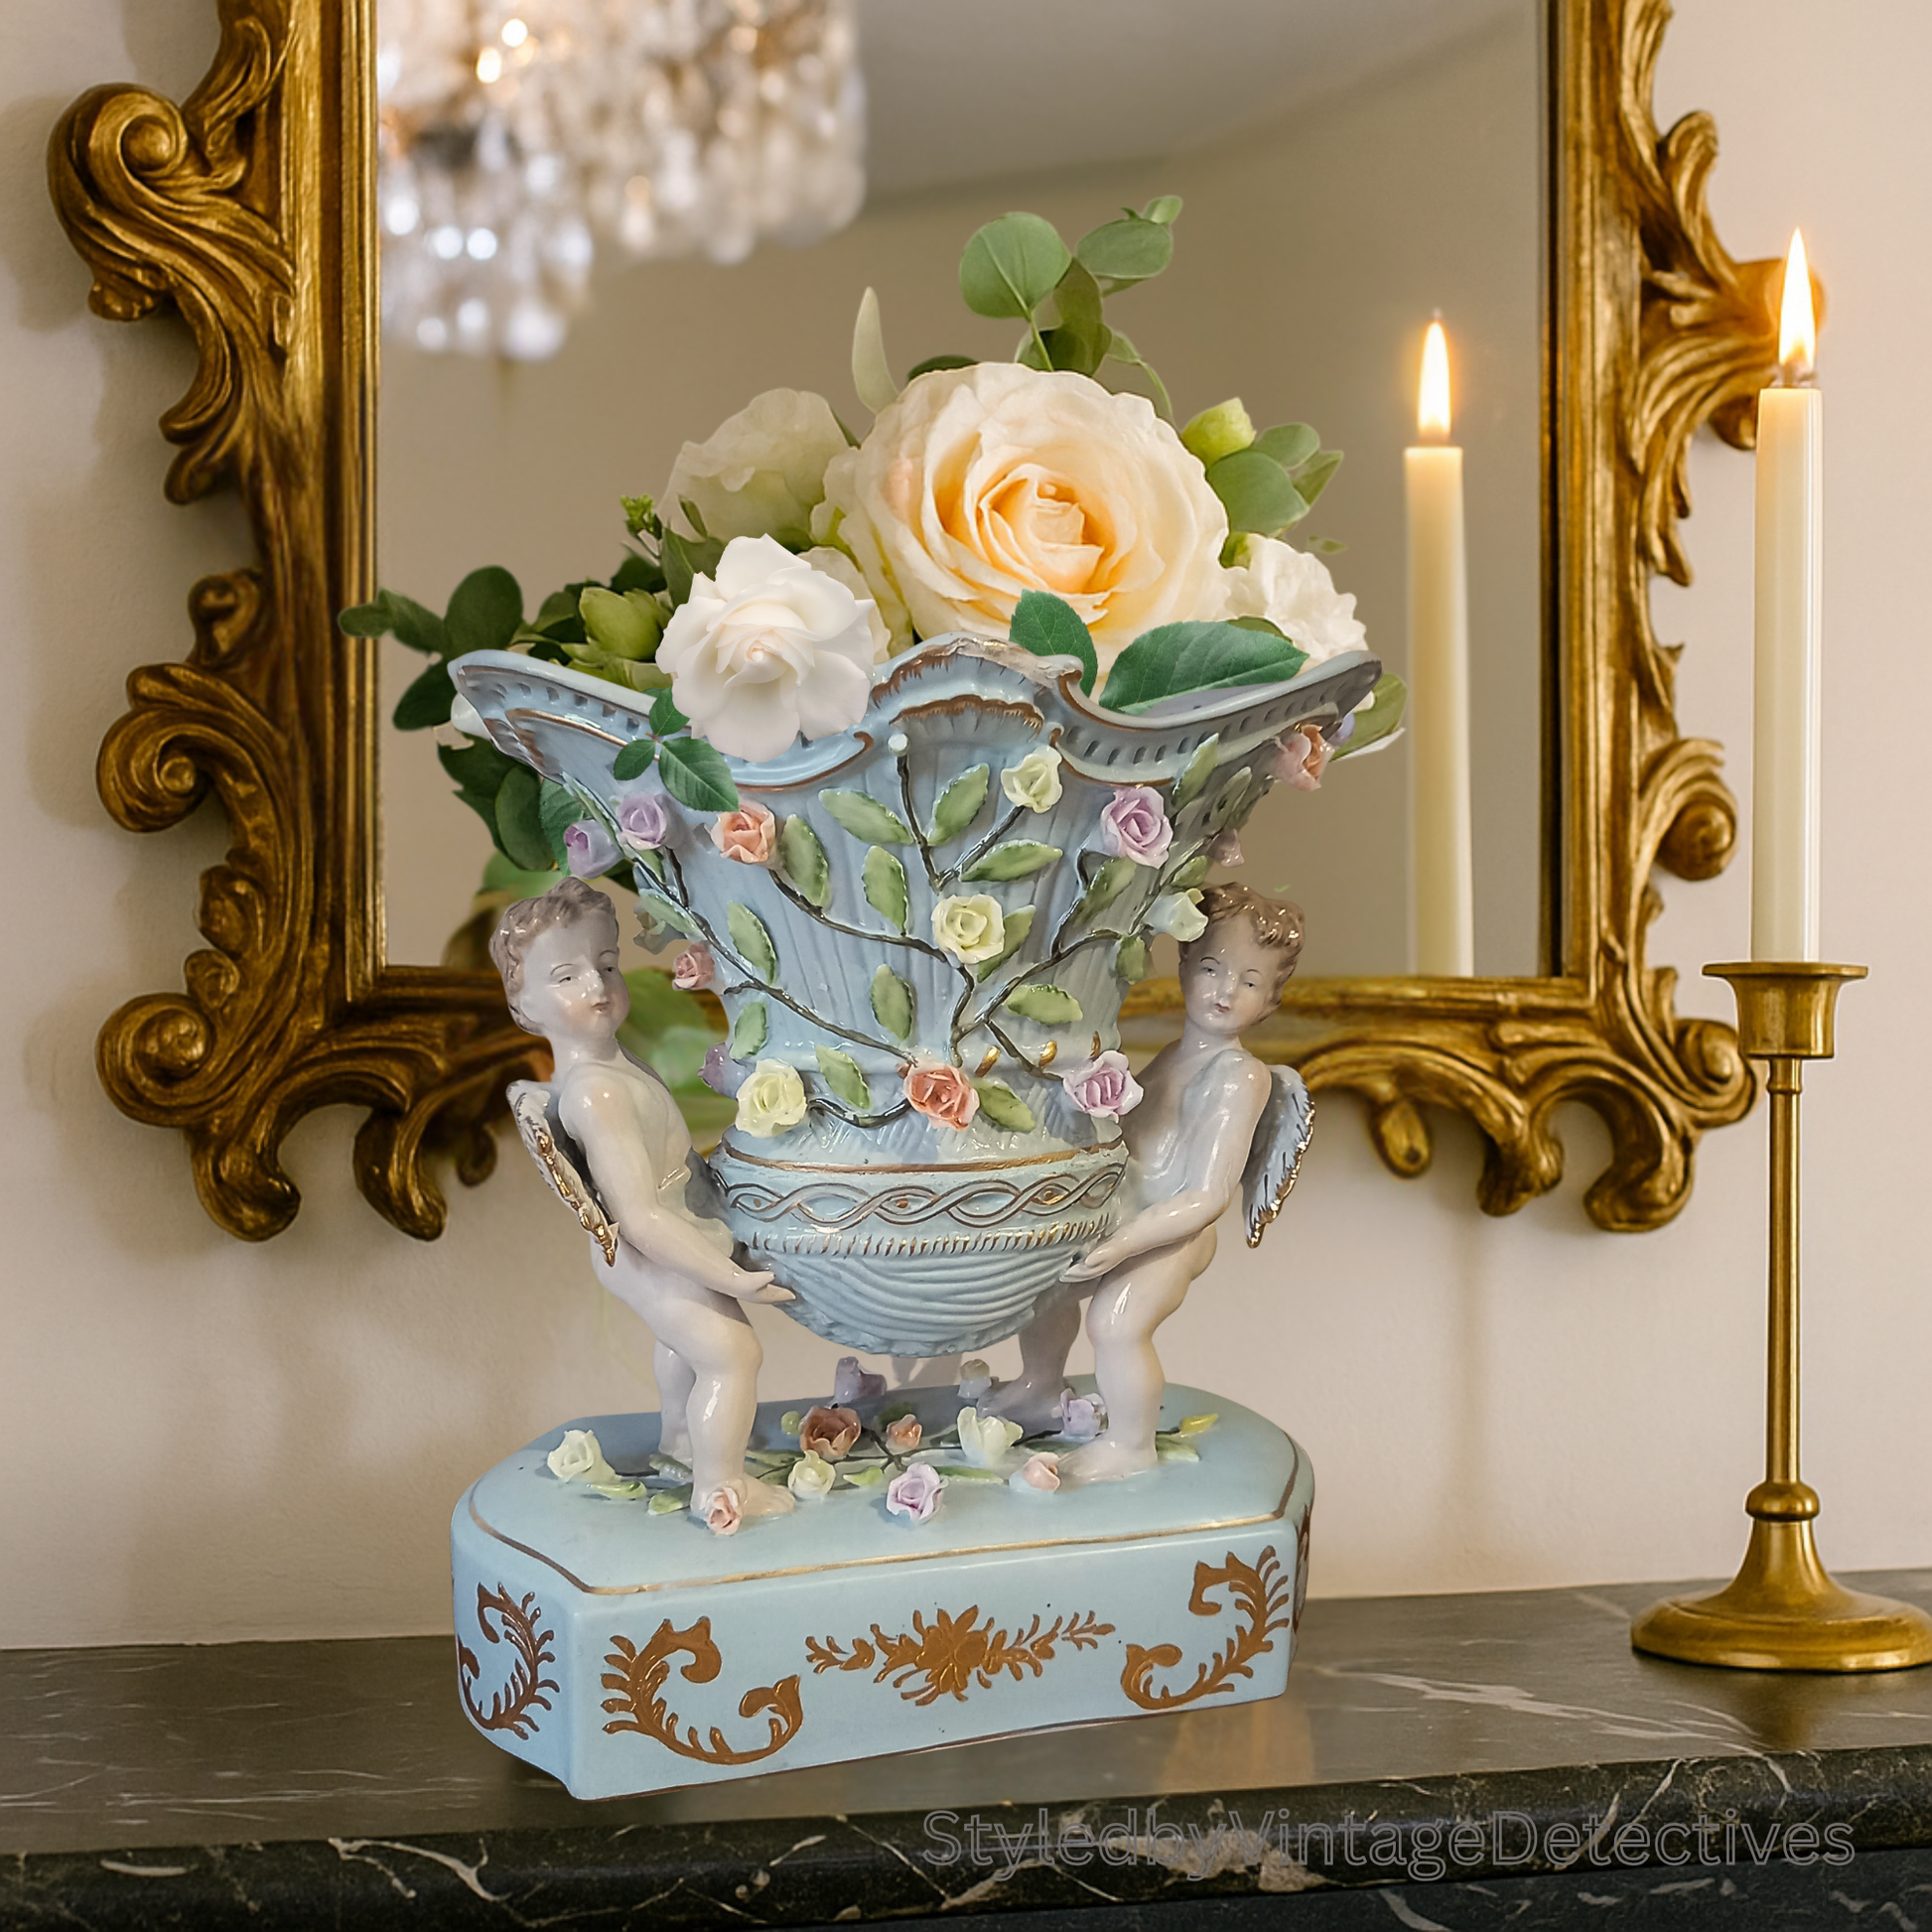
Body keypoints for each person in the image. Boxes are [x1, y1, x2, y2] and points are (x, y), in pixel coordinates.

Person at [491, 878, 794, 1532]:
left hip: (665, 1233)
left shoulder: (615, 1064)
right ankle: (722, 1486)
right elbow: (641, 1216)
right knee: (730, 1354)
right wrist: (733, 1276)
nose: (597, 988)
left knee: (684, 1341)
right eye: (567, 977)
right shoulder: (597, 1092)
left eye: (605, 966)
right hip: (649, 1247)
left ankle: (682, 1441)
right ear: (524, 1004)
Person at [989, 885, 1307, 1482]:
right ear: (1183, 965)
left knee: (1117, 1323)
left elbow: (1207, 1196)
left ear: (1270, 1003)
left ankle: (1130, 1445)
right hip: (1125, 1215)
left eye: (1250, 981)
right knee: (1044, 1288)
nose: (1225, 991)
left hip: (1173, 1231)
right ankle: (1039, 1389)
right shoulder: (1169, 1057)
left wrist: (1122, 1244)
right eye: (1212, 968)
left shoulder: (1239, 1074)